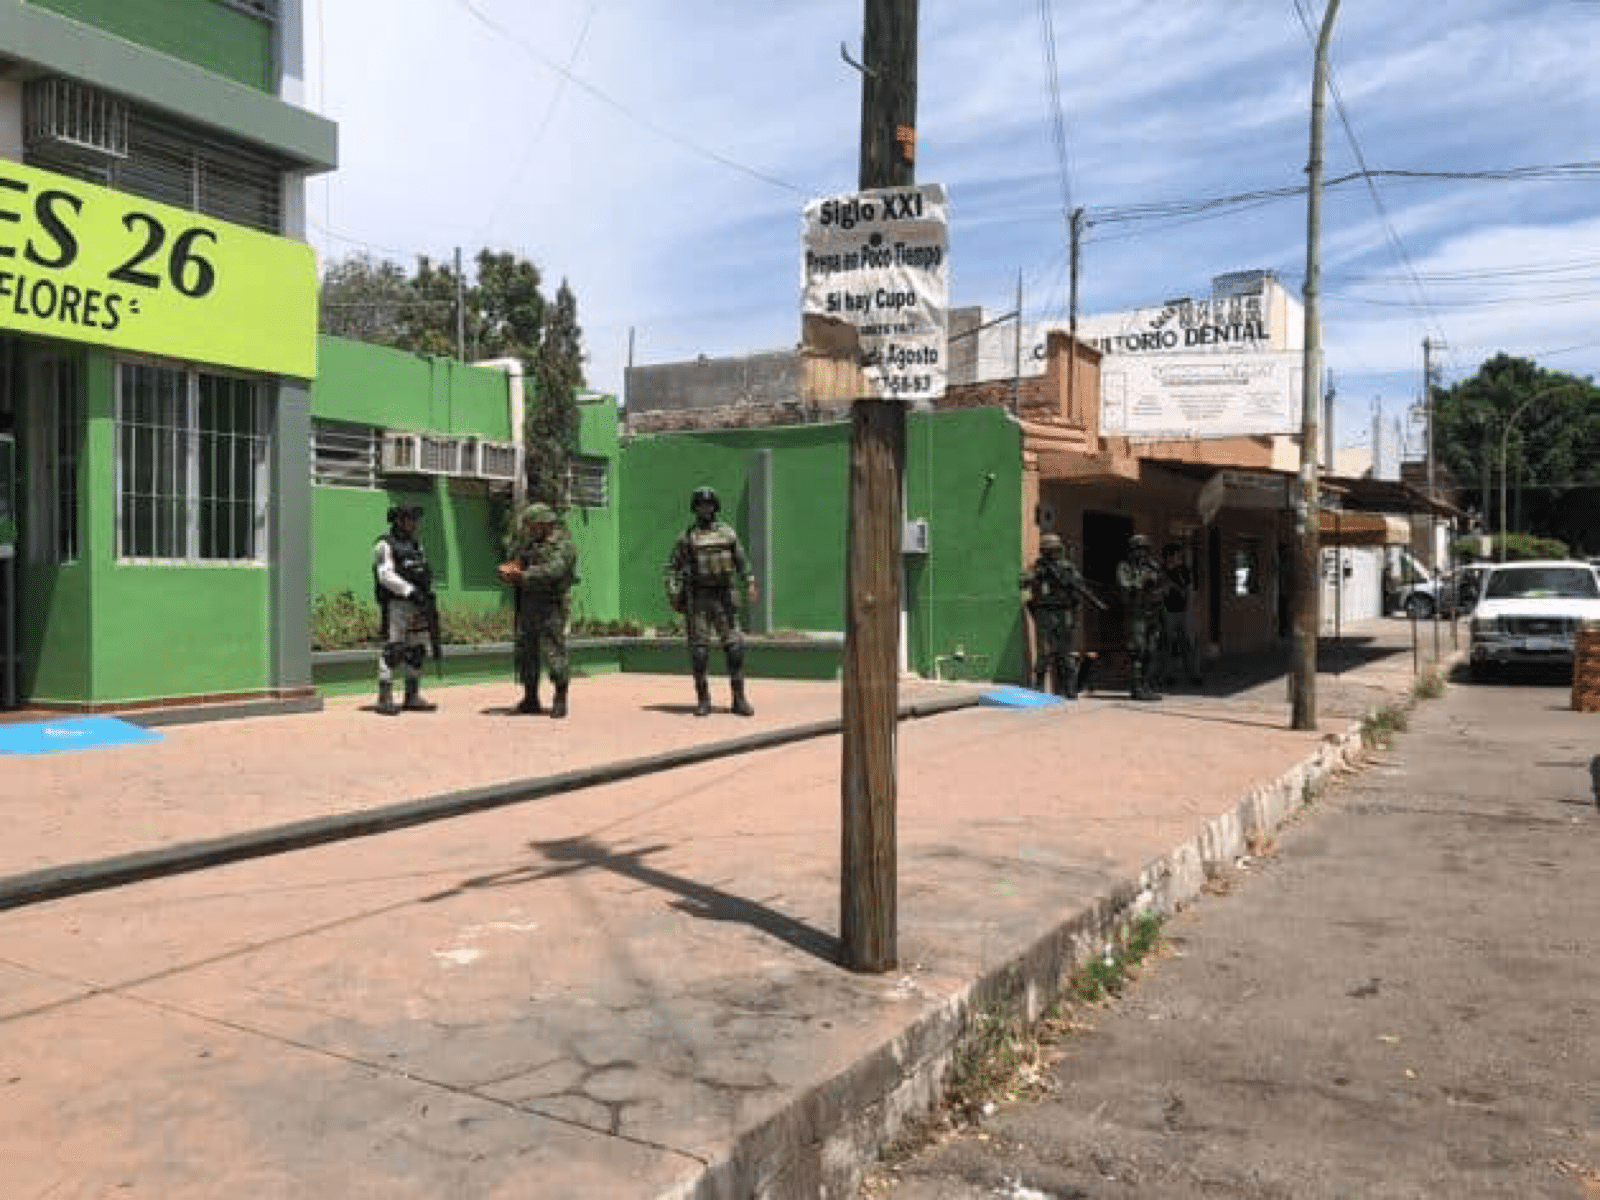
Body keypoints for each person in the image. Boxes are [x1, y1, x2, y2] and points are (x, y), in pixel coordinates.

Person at [664, 485, 758, 717]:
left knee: (735, 649)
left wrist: (751, 581)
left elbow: (742, 561)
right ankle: (703, 700)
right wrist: (674, 593)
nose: (704, 508)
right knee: (699, 652)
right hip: (699, 599)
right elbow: (670, 568)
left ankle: (739, 699)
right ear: (694, 508)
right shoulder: (687, 537)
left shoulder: (728, 533)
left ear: (715, 506)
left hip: (725, 596)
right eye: (700, 505)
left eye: (708, 504)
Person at [500, 501, 579, 718]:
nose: (529, 530)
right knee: (526, 651)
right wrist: (510, 570)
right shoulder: (530, 544)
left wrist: (523, 576)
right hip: (528, 604)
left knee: (554, 651)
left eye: (532, 526)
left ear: (545, 524)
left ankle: (560, 698)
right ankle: (530, 697)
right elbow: (519, 562)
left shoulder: (563, 545)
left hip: (551, 605)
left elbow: (555, 570)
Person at [372, 504, 438, 716]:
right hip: (397, 603)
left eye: (415, 519)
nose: (415, 523)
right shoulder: (384, 545)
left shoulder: (416, 545)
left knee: (417, 649)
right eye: (410, 519)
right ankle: (385, 698)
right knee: (394, 649)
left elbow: (423, 571)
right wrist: (409, 591)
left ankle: (412, 696)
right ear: (398, 521)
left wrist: (425, 595)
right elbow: (385, 576)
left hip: (418, 603)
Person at [1020, 532, 1103, 698]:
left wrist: (1074, 612)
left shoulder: (1067, 568)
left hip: (1063, 611)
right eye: (1049, 551)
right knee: (1044, 651)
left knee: (1065, 653)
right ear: (1044, 551)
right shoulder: (1037, 567)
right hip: (1045, 611)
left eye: (1055, 550)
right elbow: (1022, 582)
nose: (1053, 554)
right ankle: (1038, 686)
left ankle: (1069, 688)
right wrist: (1036, 576)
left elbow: (1079, 587)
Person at [1116, 532, 1165, 701]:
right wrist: (1142, 582)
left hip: (1152, 613)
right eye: (1138, 549)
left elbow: (1161, 586)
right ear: (1131, 550)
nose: (1142, 553)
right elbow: (1125, 586)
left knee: (1151, 651)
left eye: (1145, 549)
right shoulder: (1124, 567)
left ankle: (1146, 685)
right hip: (1136, 614)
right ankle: (1136, 688)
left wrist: (1156, 585)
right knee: (1138, 652)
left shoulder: (1151, 566)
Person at [1159, 542, 1202, 687]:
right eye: (1176, 555)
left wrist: (1188, 608)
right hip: (1167, 611)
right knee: (1168, 644)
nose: (1179, 558)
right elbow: (1159, 591)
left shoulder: (1183, 570)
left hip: (1184, 611)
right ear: (1168, 556)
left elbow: (1189, 589)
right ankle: (1168, 674)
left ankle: (1194, 674)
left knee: (1189, 644)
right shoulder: (1162, 571)